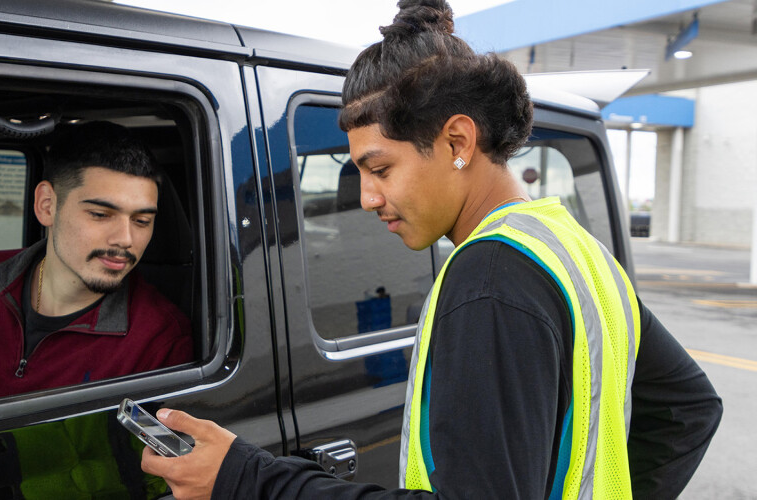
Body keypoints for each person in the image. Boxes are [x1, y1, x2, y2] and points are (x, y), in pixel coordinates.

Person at [140, 1, 722, 498]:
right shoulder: (572, 248)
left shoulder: (489, 278)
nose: (366, 198)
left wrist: (247, 478)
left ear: (458, 142)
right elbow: (686, 409)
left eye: (380, 168)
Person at [0, 121, 192, 404]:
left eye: (142, 221)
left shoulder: (159, 339)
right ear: (47, 206)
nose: (125, 239)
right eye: (101, 214)